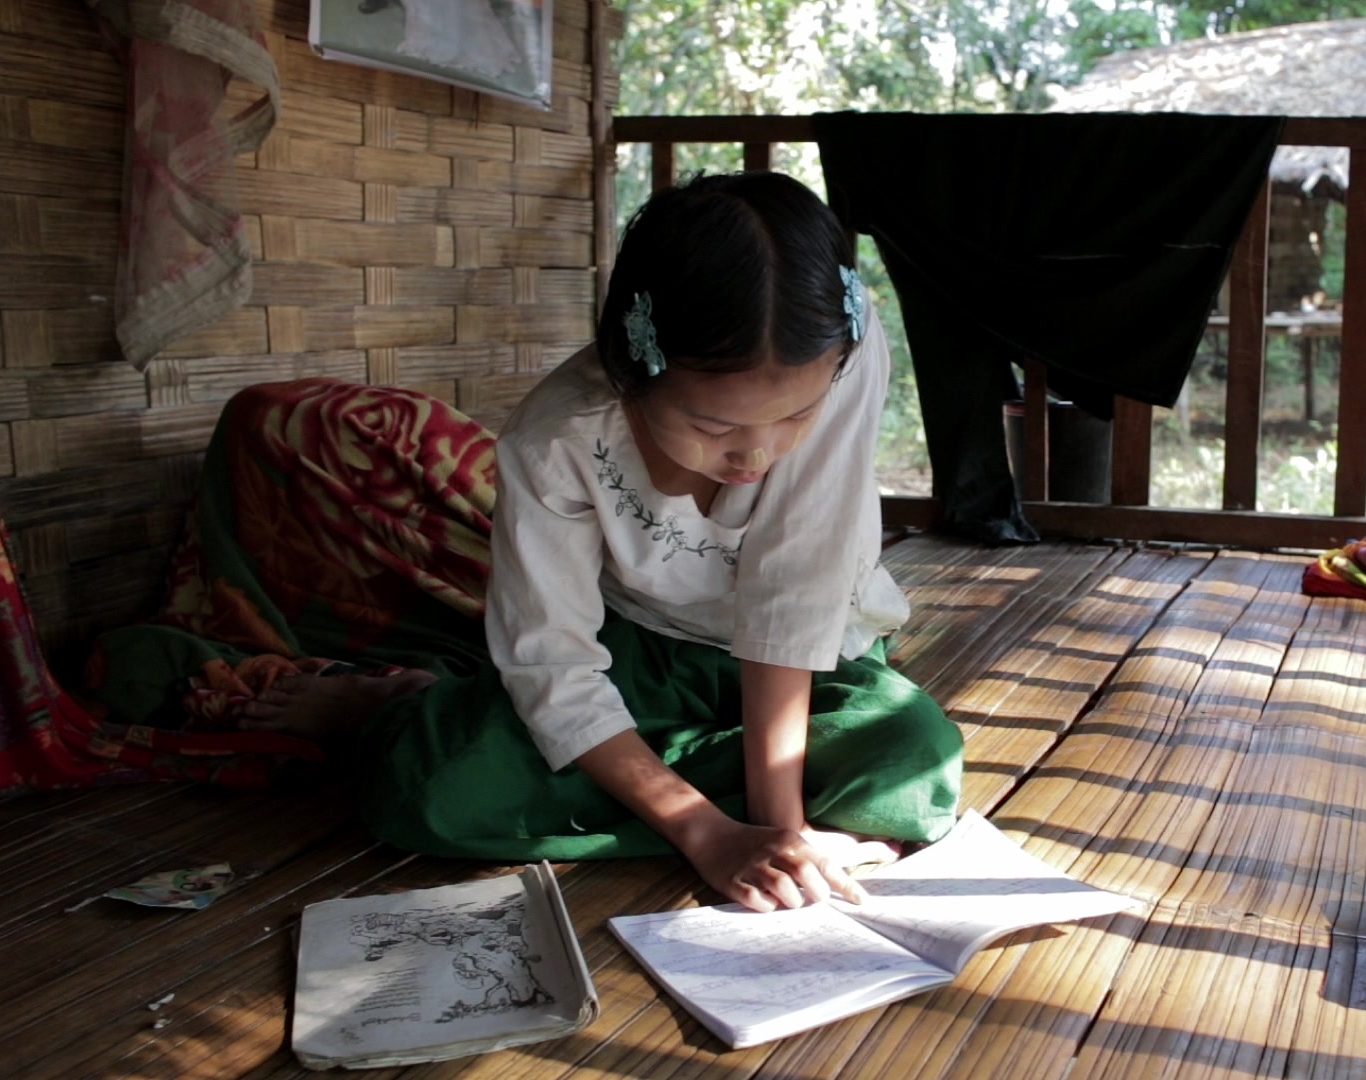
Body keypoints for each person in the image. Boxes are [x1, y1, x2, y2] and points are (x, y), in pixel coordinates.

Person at [220, 171, 963, 911]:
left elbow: (794, 595)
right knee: (426, 791)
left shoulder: (842, 350)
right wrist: (704, 832)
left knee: (914, 758)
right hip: (642, 647)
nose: (758, 456)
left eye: (795, 417)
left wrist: (779, 830)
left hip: (813, 656)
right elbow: (557, 660)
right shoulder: (559, 440)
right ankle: (412, 711)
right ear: (632, 369)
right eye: (713, 426)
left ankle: (568, 745)